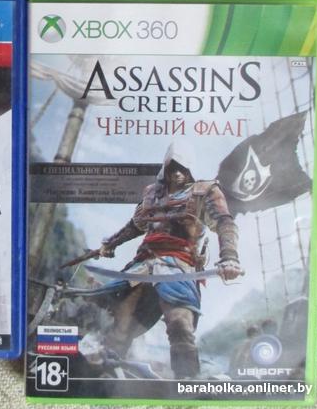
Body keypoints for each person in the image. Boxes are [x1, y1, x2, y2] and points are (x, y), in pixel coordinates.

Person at [97, 144, 242, 378]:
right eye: (173, 168)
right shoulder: (152, 193)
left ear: (190, 169)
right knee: (121, 325)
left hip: (179, 265)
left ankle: (186, 380)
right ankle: (104, 375)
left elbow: (225, 223)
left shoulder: (204, 191)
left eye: (182, 168)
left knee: (180, 324)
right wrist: (111, 243)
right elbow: (136, 225)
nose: (177, 173)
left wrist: (229, 257)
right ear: (165, 168)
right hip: (143, 264)